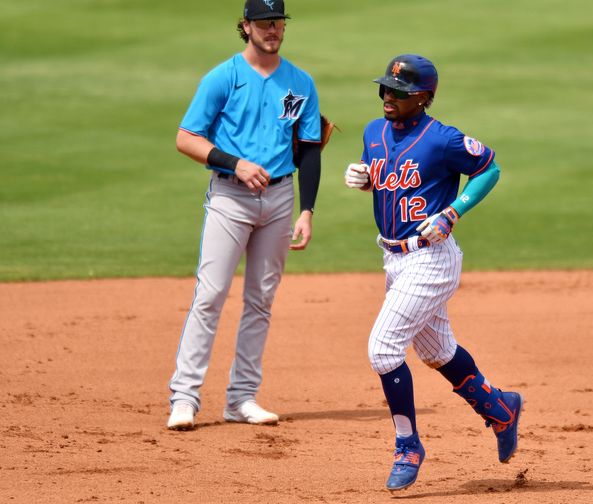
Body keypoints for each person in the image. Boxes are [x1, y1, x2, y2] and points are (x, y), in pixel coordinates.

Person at [343, 54, 522, 491]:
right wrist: (368, 178)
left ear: (422, 97)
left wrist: (453, 212)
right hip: (392, 258)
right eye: (385, 88)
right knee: (437, 352)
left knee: (384, 351)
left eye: (399, 92)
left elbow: (490, 168)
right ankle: (501, 409)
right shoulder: (373, 132)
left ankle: (408, 445)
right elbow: (391, 175)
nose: (388, 96)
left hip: (431, 259)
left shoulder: (443, 139)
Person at [166, 0, 321, 431]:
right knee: (211, 294)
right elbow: (185, 137)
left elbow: (309, 149)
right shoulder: (223, 77)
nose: (273, 29)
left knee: (261, 301)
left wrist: (307, 209)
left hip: (280, 200)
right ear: (245, 26)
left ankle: (241, 398)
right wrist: (233, 162)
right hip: (229, 198)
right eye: (264, 22)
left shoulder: (301, 82)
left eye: (278, 22)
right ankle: (184, 397)